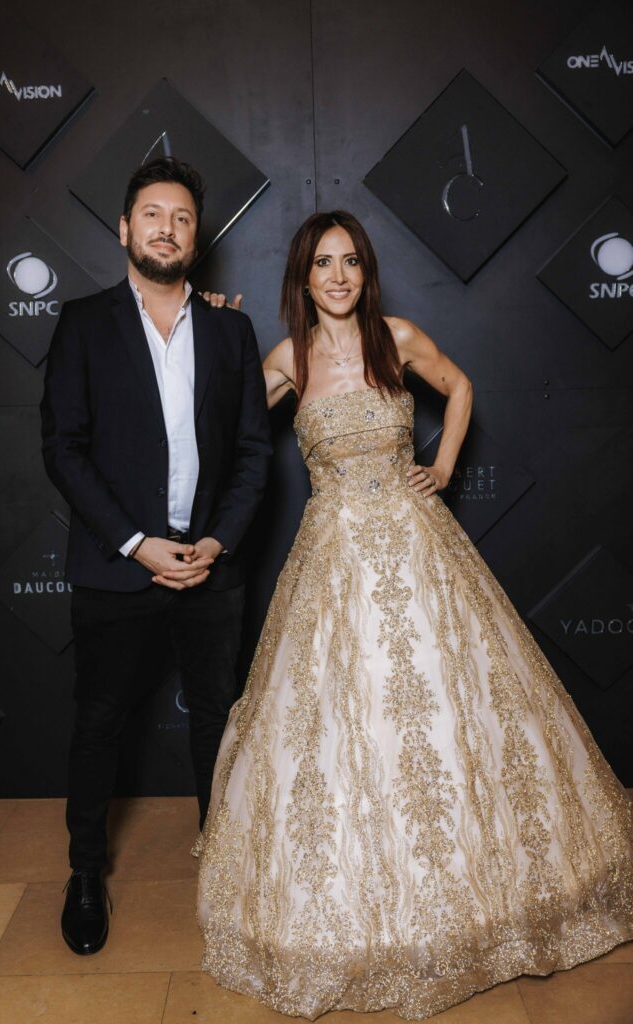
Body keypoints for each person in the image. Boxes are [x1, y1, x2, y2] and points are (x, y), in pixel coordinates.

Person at [196, 210, 633, 1020]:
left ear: (365, 272)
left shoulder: (395, 337)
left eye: (350, 261)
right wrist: (215, 336)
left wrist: (442, 463)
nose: (337, 276)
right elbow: (218, 422)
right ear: (302, 279)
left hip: (418, 546)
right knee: (340, 718)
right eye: (322, 263)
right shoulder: (287, 360)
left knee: (452, 704)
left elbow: (459, 387)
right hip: (333, 561)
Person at [40, 157, 272, 956]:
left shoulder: (232, 331)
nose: (165, 228)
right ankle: (83, 874)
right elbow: (64, 449)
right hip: (117, 566)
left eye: (180, 217)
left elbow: (253, 452)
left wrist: (215, 540)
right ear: (123, 229)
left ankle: (226, 867)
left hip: (211, 565)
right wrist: (138, 545)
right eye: (151, 214)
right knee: (99, 721)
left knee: (216, 719)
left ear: (195, 238)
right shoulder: (82, 323)